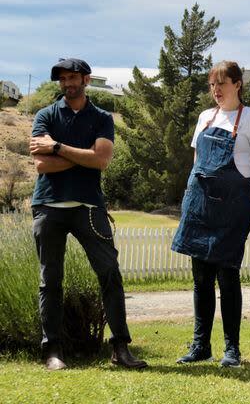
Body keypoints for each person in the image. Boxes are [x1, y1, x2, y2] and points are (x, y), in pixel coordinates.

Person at [28, 57, 147, 371]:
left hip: (90, 208)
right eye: (63, 79)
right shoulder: (45, 115)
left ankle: (120, 348)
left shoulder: (101, 117)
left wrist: (57, 148)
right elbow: (42, 166)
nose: (68, 83)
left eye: (73, 78)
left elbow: (102, 161)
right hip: (48, 207)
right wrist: (84, 156)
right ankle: (53, 351)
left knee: (110, 275)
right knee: (49, 281)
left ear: (87, 80)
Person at [171, 61, 250, 368]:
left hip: (232, 210)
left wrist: (244, 204)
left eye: (221, 84)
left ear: (237, 84)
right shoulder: (205, 117)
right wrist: (192, 200)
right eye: (212, 85)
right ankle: (201, 346)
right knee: (201, 280)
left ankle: (232, 349)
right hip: (200, 208)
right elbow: (197, 164)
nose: (216, 90)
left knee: (228, 278)